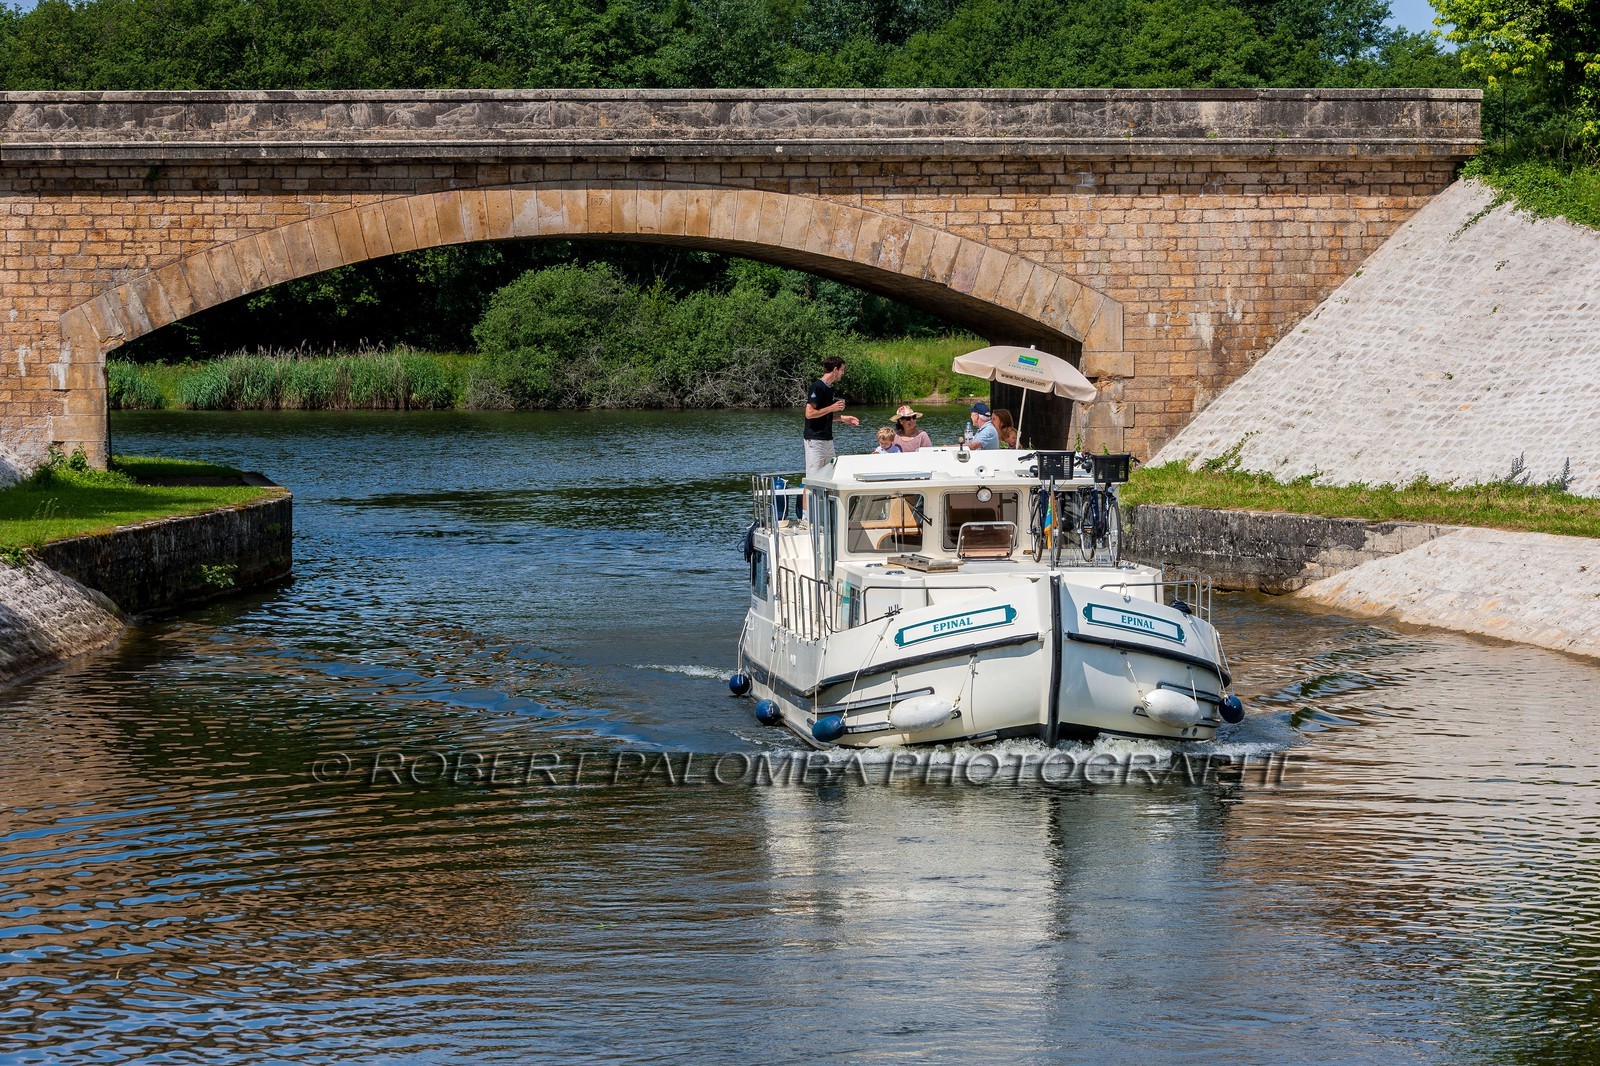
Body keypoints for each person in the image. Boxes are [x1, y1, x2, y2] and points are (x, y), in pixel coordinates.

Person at [803, 355, 859, 474]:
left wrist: (843, 418)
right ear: (835, 369)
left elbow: (823, 416)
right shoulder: (817, 387)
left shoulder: (829, 388)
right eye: (842, 369)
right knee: (814, 477)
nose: (843, 373)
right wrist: (832, 408)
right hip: (815, 440)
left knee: (829, 474)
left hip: (828, 439)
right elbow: (809, 414)